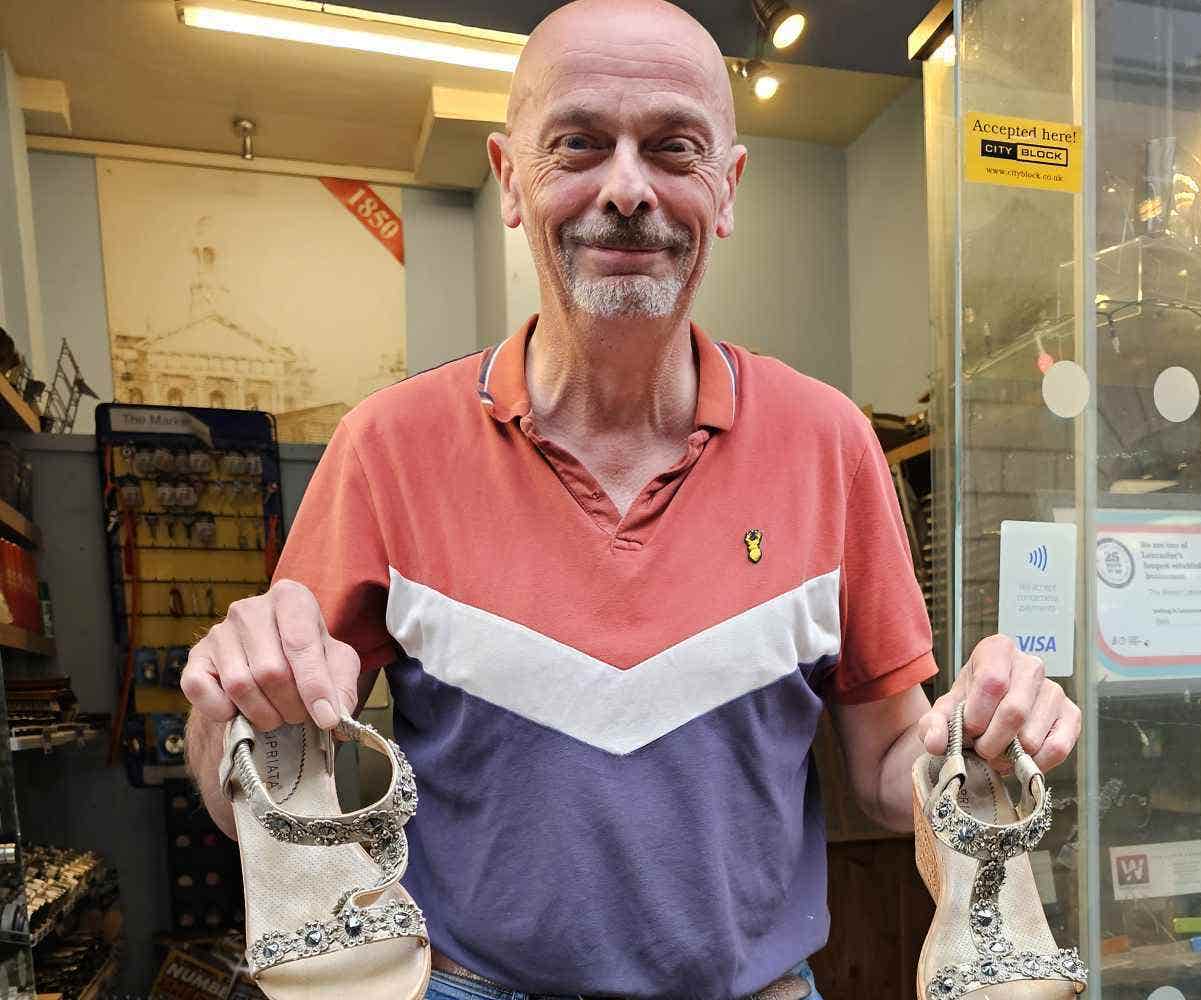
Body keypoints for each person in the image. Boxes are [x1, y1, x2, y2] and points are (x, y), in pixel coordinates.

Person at [181, 2, 1082, 998]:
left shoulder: (830, 444)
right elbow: (262, 793)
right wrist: (230, 714)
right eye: (578, 144)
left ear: (726, 188)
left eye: (671, 147)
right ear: (510, 176)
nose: (625, 189)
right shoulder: (386, 451)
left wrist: (974, 734)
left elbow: (884, 768)